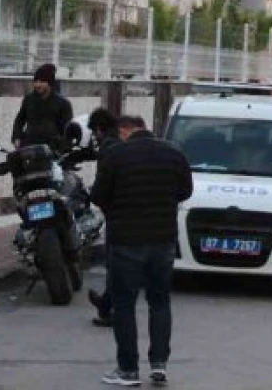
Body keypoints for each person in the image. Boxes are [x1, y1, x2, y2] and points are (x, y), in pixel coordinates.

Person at [91, 115, 193, 387]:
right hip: (163, 240)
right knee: (159, 302)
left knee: (124, 305)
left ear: (125, 130)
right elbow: (185, 191)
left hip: (126, 240)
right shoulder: (174, 154)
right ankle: (159, 365)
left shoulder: (116, 155)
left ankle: (128, 370)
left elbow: (98, 195)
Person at [84, 108, 123, 329]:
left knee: (115, 263)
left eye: (94, 132)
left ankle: (110, 308)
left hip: (117, 213)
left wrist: (97, 198)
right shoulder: (121, 141)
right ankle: (107, 304)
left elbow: (104, 183)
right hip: (128, 212)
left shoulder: (108, 147)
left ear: (99, 128)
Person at [11, 64, 74, 152]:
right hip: (29, 147)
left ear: (50, 83)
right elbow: (19, 120)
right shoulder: (29, 99)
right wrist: (16, 138)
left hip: (51, 150)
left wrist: (61, 148)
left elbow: (67, 130)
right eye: (36, 81)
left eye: (42, 82)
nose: (38, 85)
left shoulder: (63, 103)